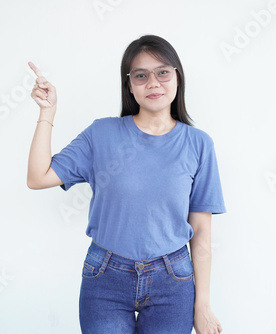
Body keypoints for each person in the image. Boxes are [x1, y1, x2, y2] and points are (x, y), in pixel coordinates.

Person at [27, 34, 226, 334]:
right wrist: (47, 112)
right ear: (130, 85)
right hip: (106, 277)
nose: (153, 83)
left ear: (177, 77)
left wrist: (203, 305)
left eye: (163, 72)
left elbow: (201, 233)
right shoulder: (102, 134)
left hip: (172, 282)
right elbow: (38, 177)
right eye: (141, 75)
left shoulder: (199, 144)